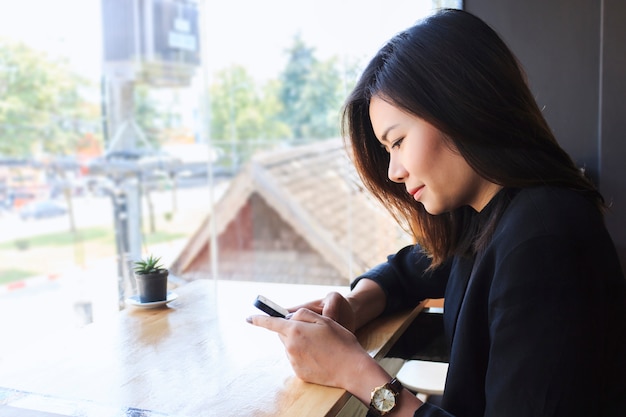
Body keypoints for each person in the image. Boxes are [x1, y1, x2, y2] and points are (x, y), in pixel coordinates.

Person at [247, 8, 626, 417]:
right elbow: (412, 268)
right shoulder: (493, 215)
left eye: (398, 141)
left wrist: (355, 371)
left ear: (460, 106)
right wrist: (355, 304)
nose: (394, 171)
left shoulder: (542, 242)